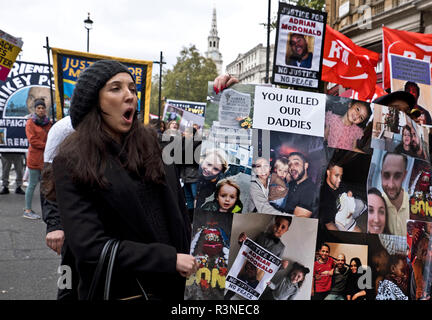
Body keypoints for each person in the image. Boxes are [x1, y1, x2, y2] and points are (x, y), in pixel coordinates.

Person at [50, 60, 197, 300]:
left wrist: (221, 100)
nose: (129, 95)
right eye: (116, 88)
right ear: (94, 103)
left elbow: (212, 162)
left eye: (132, 88)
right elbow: (89, 247)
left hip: (175, 287)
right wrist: (168, 259)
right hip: (124, 290)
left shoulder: (155, 146)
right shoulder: (71, 162)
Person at [23, 99, 52, 219]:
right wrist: (49, 146)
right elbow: (33, 141)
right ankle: (27, 210)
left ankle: (47, 210)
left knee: (46, 185)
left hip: (46, 158)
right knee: (32, 184)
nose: (41, 110)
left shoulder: (48, 123)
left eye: (42, 108)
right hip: (35, 159)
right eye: (38, 108)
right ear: (34, 109)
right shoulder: (30, 122)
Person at [380, 152, 410, 236]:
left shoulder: (415, 205)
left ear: (404, 176)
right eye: (386, 175)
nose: (391, 185)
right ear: (381, 174)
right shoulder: (375, 205)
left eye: (397, 176)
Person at [282, 152, 316, 218]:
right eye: (289, 164)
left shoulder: (310, 190)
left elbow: (296, 220)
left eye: (296, 163)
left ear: (305, 166)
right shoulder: (292, 184)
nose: (291, 167)